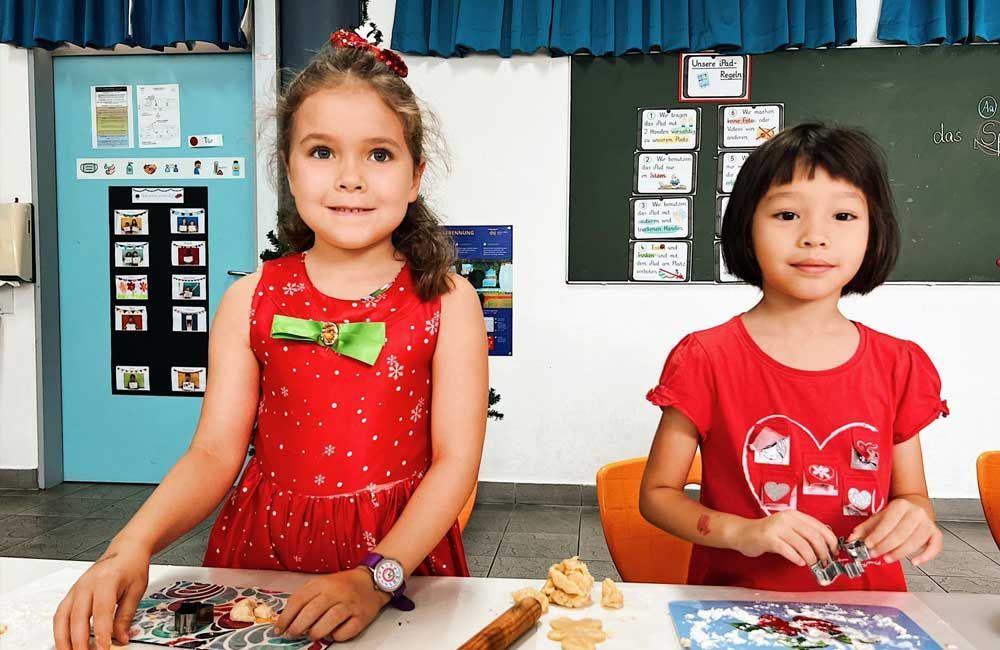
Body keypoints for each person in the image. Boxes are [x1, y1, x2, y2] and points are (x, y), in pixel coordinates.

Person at [54, 30, 488, 650]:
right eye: (321, 152)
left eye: (380, 155)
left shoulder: (447, 301)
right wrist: (131, 544)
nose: (350, 179)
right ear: (287, 167)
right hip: (263, 547)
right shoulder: (248, 299)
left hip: (397, 556)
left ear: (416, 176)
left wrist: (375, 577)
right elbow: (212, 455)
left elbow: (455, 464)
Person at [639, 123, 947, 592]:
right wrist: (741, 532)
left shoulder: (899, 364)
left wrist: (916, 518)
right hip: (735, 611)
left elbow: (913, 496)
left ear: (874, 230)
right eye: (786, 214)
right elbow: (658, 496)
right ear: (745, 226)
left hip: (870, 615)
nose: (815, 237)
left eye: (843, 216)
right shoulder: (705, 357)